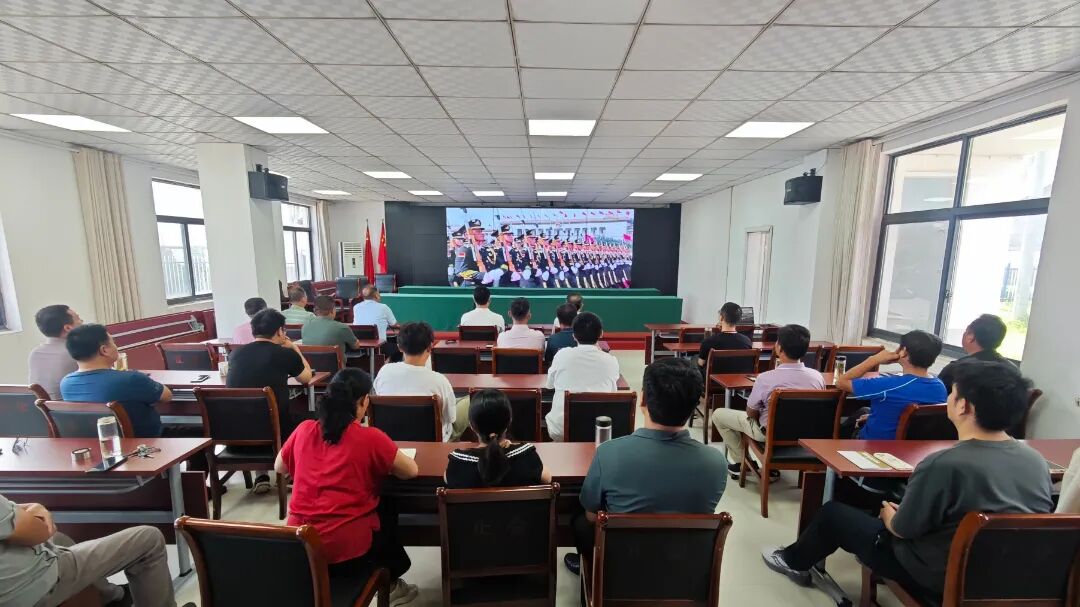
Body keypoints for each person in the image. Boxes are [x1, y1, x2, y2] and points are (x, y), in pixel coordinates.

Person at [763, 361, 1054, 599]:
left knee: (833, 515)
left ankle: (792, 561)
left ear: (964, 407)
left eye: (952, 394)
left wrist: (889, 515)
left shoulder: (942, 463)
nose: (948, 398)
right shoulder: (1037, 460)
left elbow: (903, 529)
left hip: (939, 574)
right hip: (1010, 575)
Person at [567, 357, 729, 586]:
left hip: (621, 573)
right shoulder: (716, 462)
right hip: (684, 574)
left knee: (580, 521)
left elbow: (592, 516)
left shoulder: (609, 453)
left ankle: (590, 571)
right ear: (695, 406)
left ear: (642, 399)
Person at [275, 368, 419, 606]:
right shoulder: (371, 438)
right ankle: (392, 581)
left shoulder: (304, 429)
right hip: (346, 553)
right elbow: (411, 471)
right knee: (386, 507)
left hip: (299, 547)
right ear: (363, 402)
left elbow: (279, 466)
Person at [0, 495, 194, 607]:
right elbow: (41, 530)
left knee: (60, 539)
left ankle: (113, 597)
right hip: (25, 589)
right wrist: (35, 508)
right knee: (149, 539)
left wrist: (21, 511)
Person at [711, 324, 825, 480]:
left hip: (769, 434)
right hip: (805, 435)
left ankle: (741, 463)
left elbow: (751, 412)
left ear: (779, 348)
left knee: (718, 415)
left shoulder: (766, 378)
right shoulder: (817, 377)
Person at [227, 308, 313, 493]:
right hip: (275, 433)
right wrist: (294, 348)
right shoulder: (284, 354)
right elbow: (306, 377)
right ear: (280, 331)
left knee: (256, 412)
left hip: (235, 435)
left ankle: (261, 476)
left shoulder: (235, 354)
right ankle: (292, 473)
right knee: (310, 421)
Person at [60, 324, 172, 438]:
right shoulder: (131, 379)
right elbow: (166, 396)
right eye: (113, 342)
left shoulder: (66, 383)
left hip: (98, 444)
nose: (116, 346)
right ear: (104, 350)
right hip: (146, 443)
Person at [836, 330, 948, 439]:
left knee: (849, 424)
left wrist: (874, 359)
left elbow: (841, 382)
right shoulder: (940, 387)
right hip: (914, 447)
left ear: (903, 352)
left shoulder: (888, 385)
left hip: (874, 446)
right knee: (865, 411)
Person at [444, 389, 550, 488]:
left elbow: (446, 478)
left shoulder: (458, 463)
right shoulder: (526, 456)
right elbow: (547, 479)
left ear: (471, 425)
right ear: (509, 421)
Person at [373, 322, 457, 441]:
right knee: (465, 404)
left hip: (391, 440)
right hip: (432, 442)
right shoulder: (440, 381)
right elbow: (451, 418)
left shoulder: (384, 372)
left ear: (399, 347)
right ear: (430, 347)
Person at [545, 312, 620, 442]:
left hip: (562, 430)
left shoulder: (562, 355)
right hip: (599, 429)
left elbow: (549, 385)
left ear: (573, 335)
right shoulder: (611, 361)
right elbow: (612, 392)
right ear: (601, 333)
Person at [937, 313, 1013, 392]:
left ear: (971, 337)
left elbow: (936, 395)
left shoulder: (956, 370)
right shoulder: (1012, 370)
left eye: (966, 331)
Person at [28, 305, 82, 400]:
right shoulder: (78, 352)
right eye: (78, 319)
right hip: (73, 407)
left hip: (43, 408)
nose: (82, 321)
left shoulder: (34, 354)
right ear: (68, 328)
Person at [698, 302, 751, 370]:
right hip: (739, 376)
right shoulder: (747, 341)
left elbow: (701, 364)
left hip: (714, 377)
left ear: (721, 318)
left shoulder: (708, 342)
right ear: (739, 320)